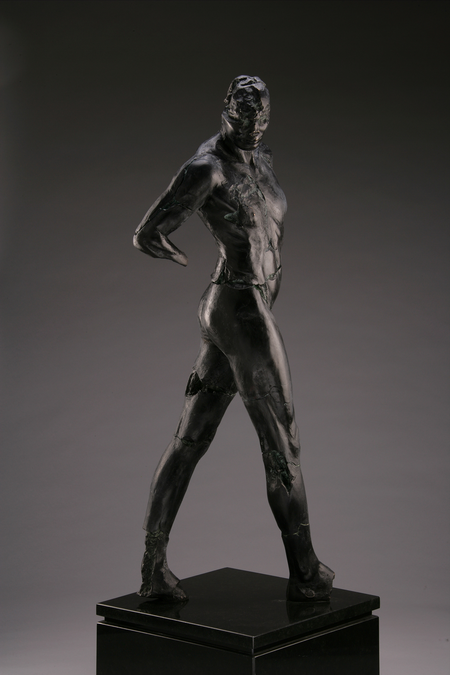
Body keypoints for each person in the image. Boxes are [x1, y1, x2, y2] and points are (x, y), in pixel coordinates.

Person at [133, 75, 334, 602]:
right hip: (238, 305)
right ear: (225, 109)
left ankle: (152, 569)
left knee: (191, 439)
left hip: (244, 307)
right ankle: (305, 571)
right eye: (243, 116)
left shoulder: (260, 159)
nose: (252, 125)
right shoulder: (207, 168)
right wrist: (176, 252)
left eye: (261, 117)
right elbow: (149, 231)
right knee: (283, 443)